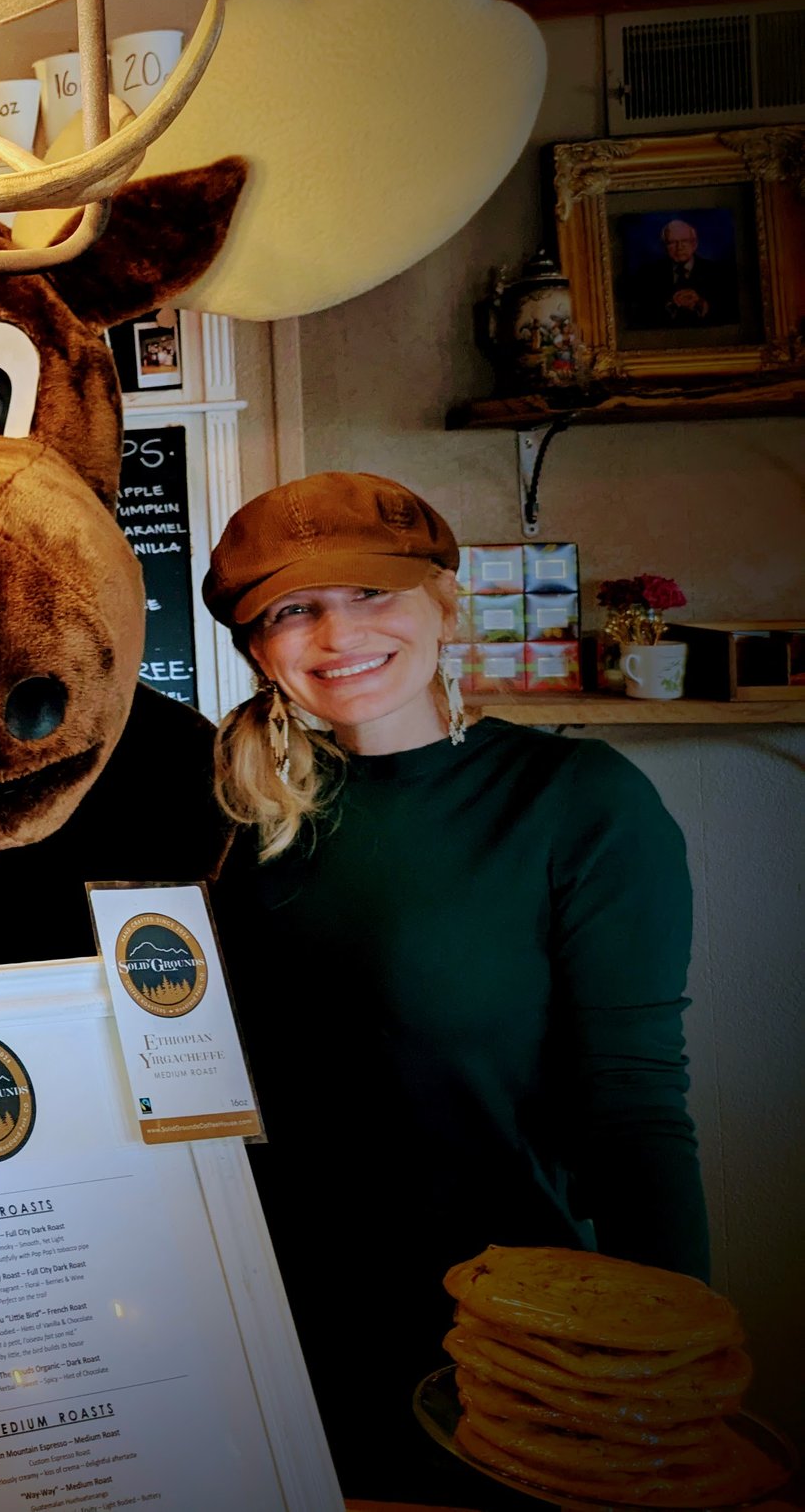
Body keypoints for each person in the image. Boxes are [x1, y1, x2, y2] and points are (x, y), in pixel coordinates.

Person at [202, 472, 707, 1497]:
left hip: (505, 1348)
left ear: (443, 601)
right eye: (293, 608)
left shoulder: (578, 804)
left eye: (371, 592)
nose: (336, 633)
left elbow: (636, 1108)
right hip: (263, 1334)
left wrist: (666, 1375)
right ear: (258, 646)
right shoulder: (230, 817)